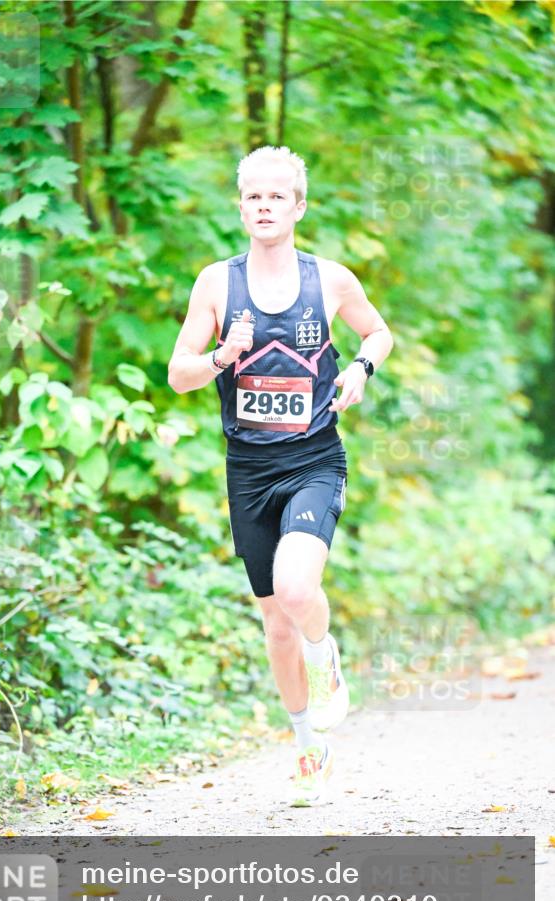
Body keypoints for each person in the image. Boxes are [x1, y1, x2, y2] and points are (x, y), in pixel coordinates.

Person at [168, 146, 393, 806]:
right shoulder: (215, 283)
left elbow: (377, 334)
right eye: (252, 197)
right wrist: (223, 355)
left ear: (297, 207)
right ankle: (307, 748)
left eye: (276, 197)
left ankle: (326, 659)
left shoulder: (330, 280)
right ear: (240, 207)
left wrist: (358, 369)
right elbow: (179, 375)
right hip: (248, 470)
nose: (263, 206)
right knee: (272, 624)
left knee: (298, 590)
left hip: (313, 460)